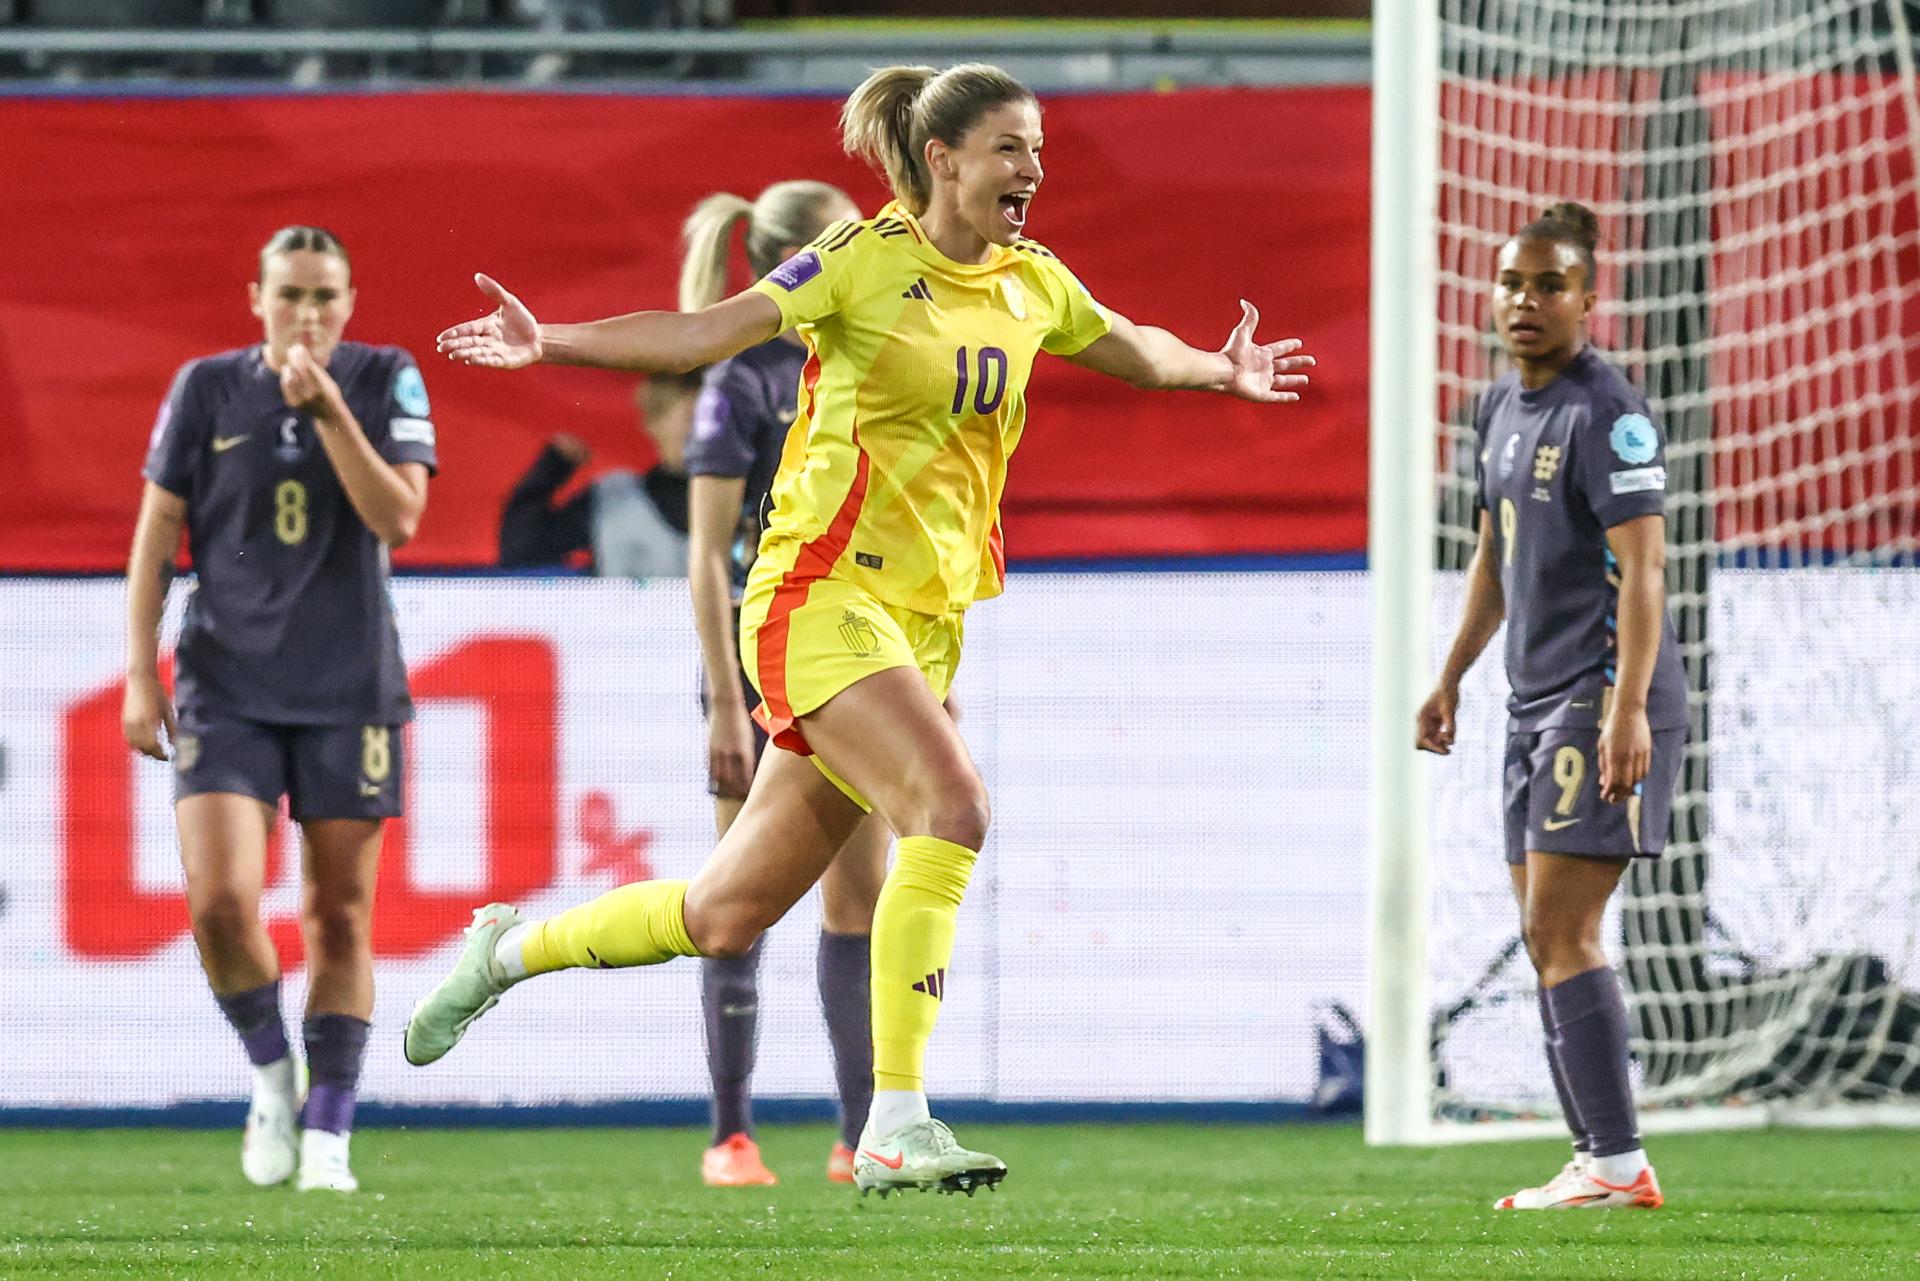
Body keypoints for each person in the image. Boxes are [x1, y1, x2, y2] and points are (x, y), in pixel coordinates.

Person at [407, 62, 1312, 1197]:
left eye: (1037, 150)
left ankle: (504, 950)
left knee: (722, 915)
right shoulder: (862, 258)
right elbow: (703, 336)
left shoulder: (1033, 281)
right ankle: (894, 1120)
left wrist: (1219, 370)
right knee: (955, 806)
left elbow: (1134, 346)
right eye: (1009, 150)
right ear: (943, 160)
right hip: (817, 596)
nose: (1032, 171)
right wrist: (556, 343)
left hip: (924, 622)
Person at [124, 225, 437, 1194]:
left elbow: (401, 518)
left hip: (349, 685)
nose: (308, 313)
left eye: (326, 296)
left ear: (350, 300)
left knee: (339, 916)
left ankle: (331, 1137)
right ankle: (271, 1074)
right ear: (254, 298)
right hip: (224, 682)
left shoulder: (386, 379)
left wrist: (333, 411)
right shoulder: (205, 388)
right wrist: (142, 670)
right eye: (291, 294)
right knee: (220, 903)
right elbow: (156, 537)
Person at [1416, 201, 1686, 1211]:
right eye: (1511, 285)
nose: (1525, 303)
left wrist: (1625, 706)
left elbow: (1645, 570)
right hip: (1532, 702)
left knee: (1561, 928)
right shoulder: (1497, 410)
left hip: (1598, 697)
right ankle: (1600, 1157)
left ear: (1586, 296)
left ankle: (1615, 1161)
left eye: (1548, 286)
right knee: (1544, 935)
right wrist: (1451, 674)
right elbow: (1495, 553)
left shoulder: (1605, 413)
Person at [677, 179, 888, 1187]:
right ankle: (731, 1135)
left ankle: (860, 1135)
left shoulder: (864, 361)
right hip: (763, 663)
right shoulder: (742, 380)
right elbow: (707, 555)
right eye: (846, 236)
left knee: (863, 896)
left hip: (858, 664)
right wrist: (724, 699)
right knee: (737, 901)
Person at [496, 372, 699, 578]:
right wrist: (550, 470)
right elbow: (522, 551)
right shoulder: (613, 499)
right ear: (653, 422)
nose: (710, 431)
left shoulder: (733, 501)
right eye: (693, 418)